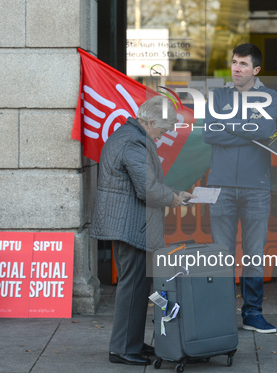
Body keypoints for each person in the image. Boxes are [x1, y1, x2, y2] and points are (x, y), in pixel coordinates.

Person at [91, 96, 195, 365]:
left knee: (139, 288)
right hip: (131, 225)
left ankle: (133, 343)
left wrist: (174, 193)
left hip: (130, 223)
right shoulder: (134, 142)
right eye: (162, 130)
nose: (163, 136)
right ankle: (122, 349)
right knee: (133, 287)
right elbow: (147, 188)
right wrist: (173, 198)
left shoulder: (130, 136)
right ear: (150, 122)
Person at [203, 43, 277, 334]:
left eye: (243, 64)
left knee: (254, 254)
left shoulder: (269, 96)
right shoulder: (218, 95)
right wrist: (246, 128)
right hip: (220, 186)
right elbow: (210, 133)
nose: (236, 68)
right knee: (221, 255)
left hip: (256, 187)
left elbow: (264, 130)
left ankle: (253, 314)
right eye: (234, 62)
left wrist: (230, 126)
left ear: (256, 70)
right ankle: (222, 315)